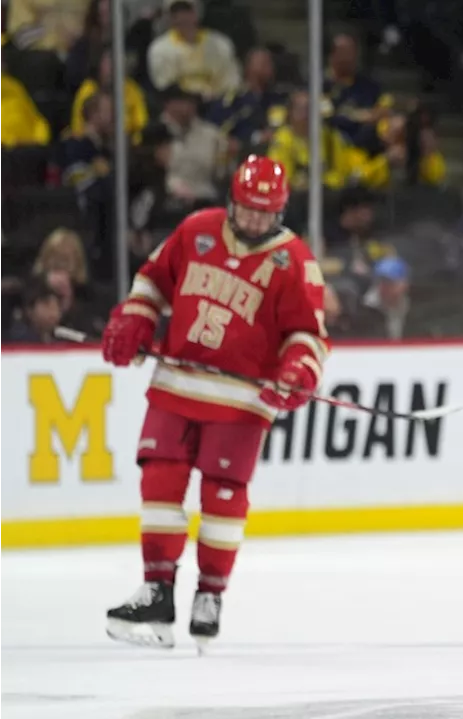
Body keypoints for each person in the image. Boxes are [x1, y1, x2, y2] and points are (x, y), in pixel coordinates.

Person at [100, 155, 331, 653]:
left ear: (281, 212)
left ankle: (211, 594)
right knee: (159, 478)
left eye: (264, 213)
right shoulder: (196, 230)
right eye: (247, 209)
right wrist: (136, 319)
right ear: (233, 201)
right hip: (177, 383)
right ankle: (158, 592)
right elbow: (152, 281)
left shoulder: (295, 262)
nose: (253, 220)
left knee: (223, 494)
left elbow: (308, 335)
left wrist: (295, 372)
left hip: (243, 400)